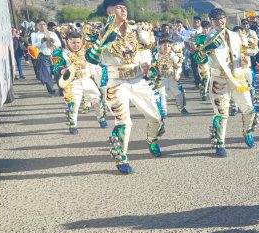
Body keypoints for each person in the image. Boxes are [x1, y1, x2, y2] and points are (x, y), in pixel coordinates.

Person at [86, 0, 165, 174]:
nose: (124, 10)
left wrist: (149, 49)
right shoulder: (99, 32)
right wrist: (103, 39)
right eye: (119, 7)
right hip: (116, 81)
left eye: (125, 8)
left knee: (157, 117)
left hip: (138, 79)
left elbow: (148, 53)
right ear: (109, 11)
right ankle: (121, 156)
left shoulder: (135, 30)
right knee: (124, 122)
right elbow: (91, 58)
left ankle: (152, 140)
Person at [193, 8, 259, 157]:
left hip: (237, 77)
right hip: (219, 79)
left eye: (221, 18)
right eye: (215, 19)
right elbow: (201, 60)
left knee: (249, 108)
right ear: (211, 21)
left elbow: (244, 52)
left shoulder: (236, 35)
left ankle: (247, 132)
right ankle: (220, 143)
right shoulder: (207, 39)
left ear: (225, 19)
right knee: (222, 113)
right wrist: (201, 58)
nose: (219, 22)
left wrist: (244, 59)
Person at [52, 31, 108, 134]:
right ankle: (72, 125)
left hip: (87, 80)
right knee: (74, 103)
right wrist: (62, 70)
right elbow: (56, 66)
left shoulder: (85, 52)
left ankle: (101, 119)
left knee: (96, 99)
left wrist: (94, 73)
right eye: (73, 43)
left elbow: (93, 61)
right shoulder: (62, 53)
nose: (76, 45)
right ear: (67, 41)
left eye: (78, 42)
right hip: (73, 82)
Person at [152, 35, 189, 117]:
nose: (166, 47)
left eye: (168, 46)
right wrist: (154, 75)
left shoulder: (173, 55)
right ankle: (163, 110)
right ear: (160, 46)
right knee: (161, 94)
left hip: (172, 77)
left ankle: (181, 107)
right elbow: (153, 67)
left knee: (179, 93)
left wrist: (177, 75)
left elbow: (178, 66)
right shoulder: (157, 55)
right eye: (164, 45)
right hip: (161, 78)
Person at [30, 19, 61, 95]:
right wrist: (41, 41)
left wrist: (53, 41)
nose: (42, 26)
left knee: (57, 73)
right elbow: (34, 46)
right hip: (43, 56)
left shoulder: (52, 33)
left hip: (54, 55)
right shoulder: (34, 35)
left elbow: (59, 44)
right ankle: (51, 89)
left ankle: (61, 89)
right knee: (47, 73)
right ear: (37, 26)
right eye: (40, 24)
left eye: (44, 24)